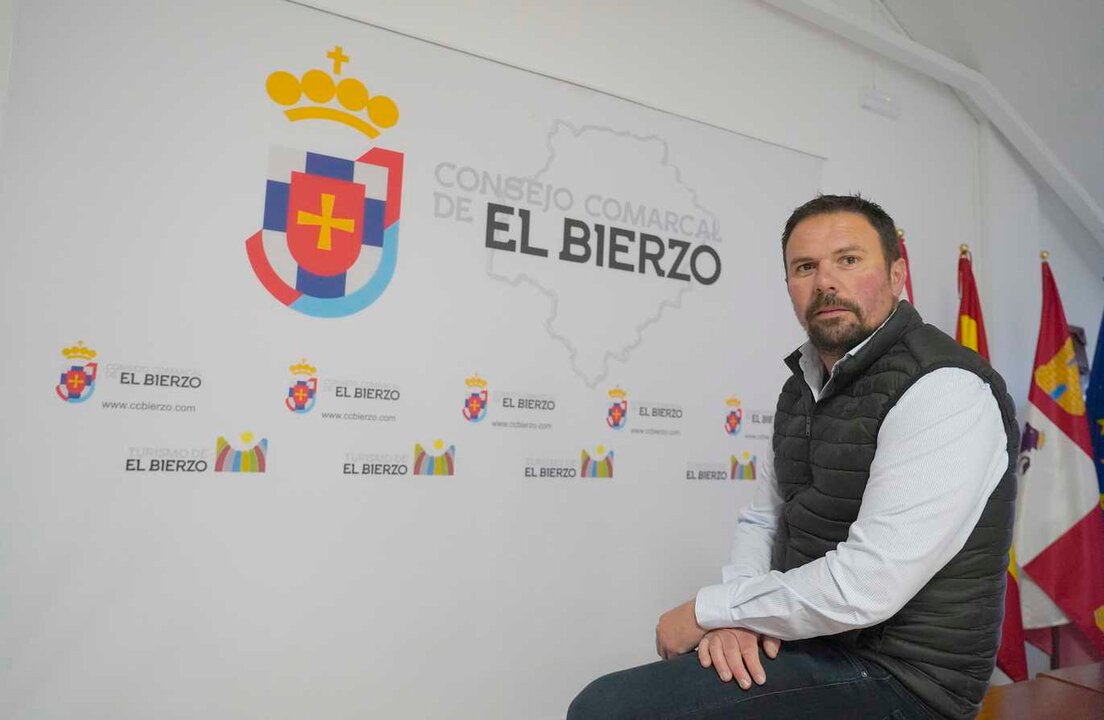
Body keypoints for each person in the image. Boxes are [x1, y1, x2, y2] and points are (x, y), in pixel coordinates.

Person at [567, 195, 1019, 720]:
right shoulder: (800, 387)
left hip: (909, 683)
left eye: (848, 260)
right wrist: (736, 621)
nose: (826, 281)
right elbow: (765, 518)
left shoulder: (945, 387)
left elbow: (866, 584)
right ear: (790, 286)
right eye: (805, 267)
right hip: (815, 646)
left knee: (608, 709)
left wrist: (708, 610)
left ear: (897, 274)